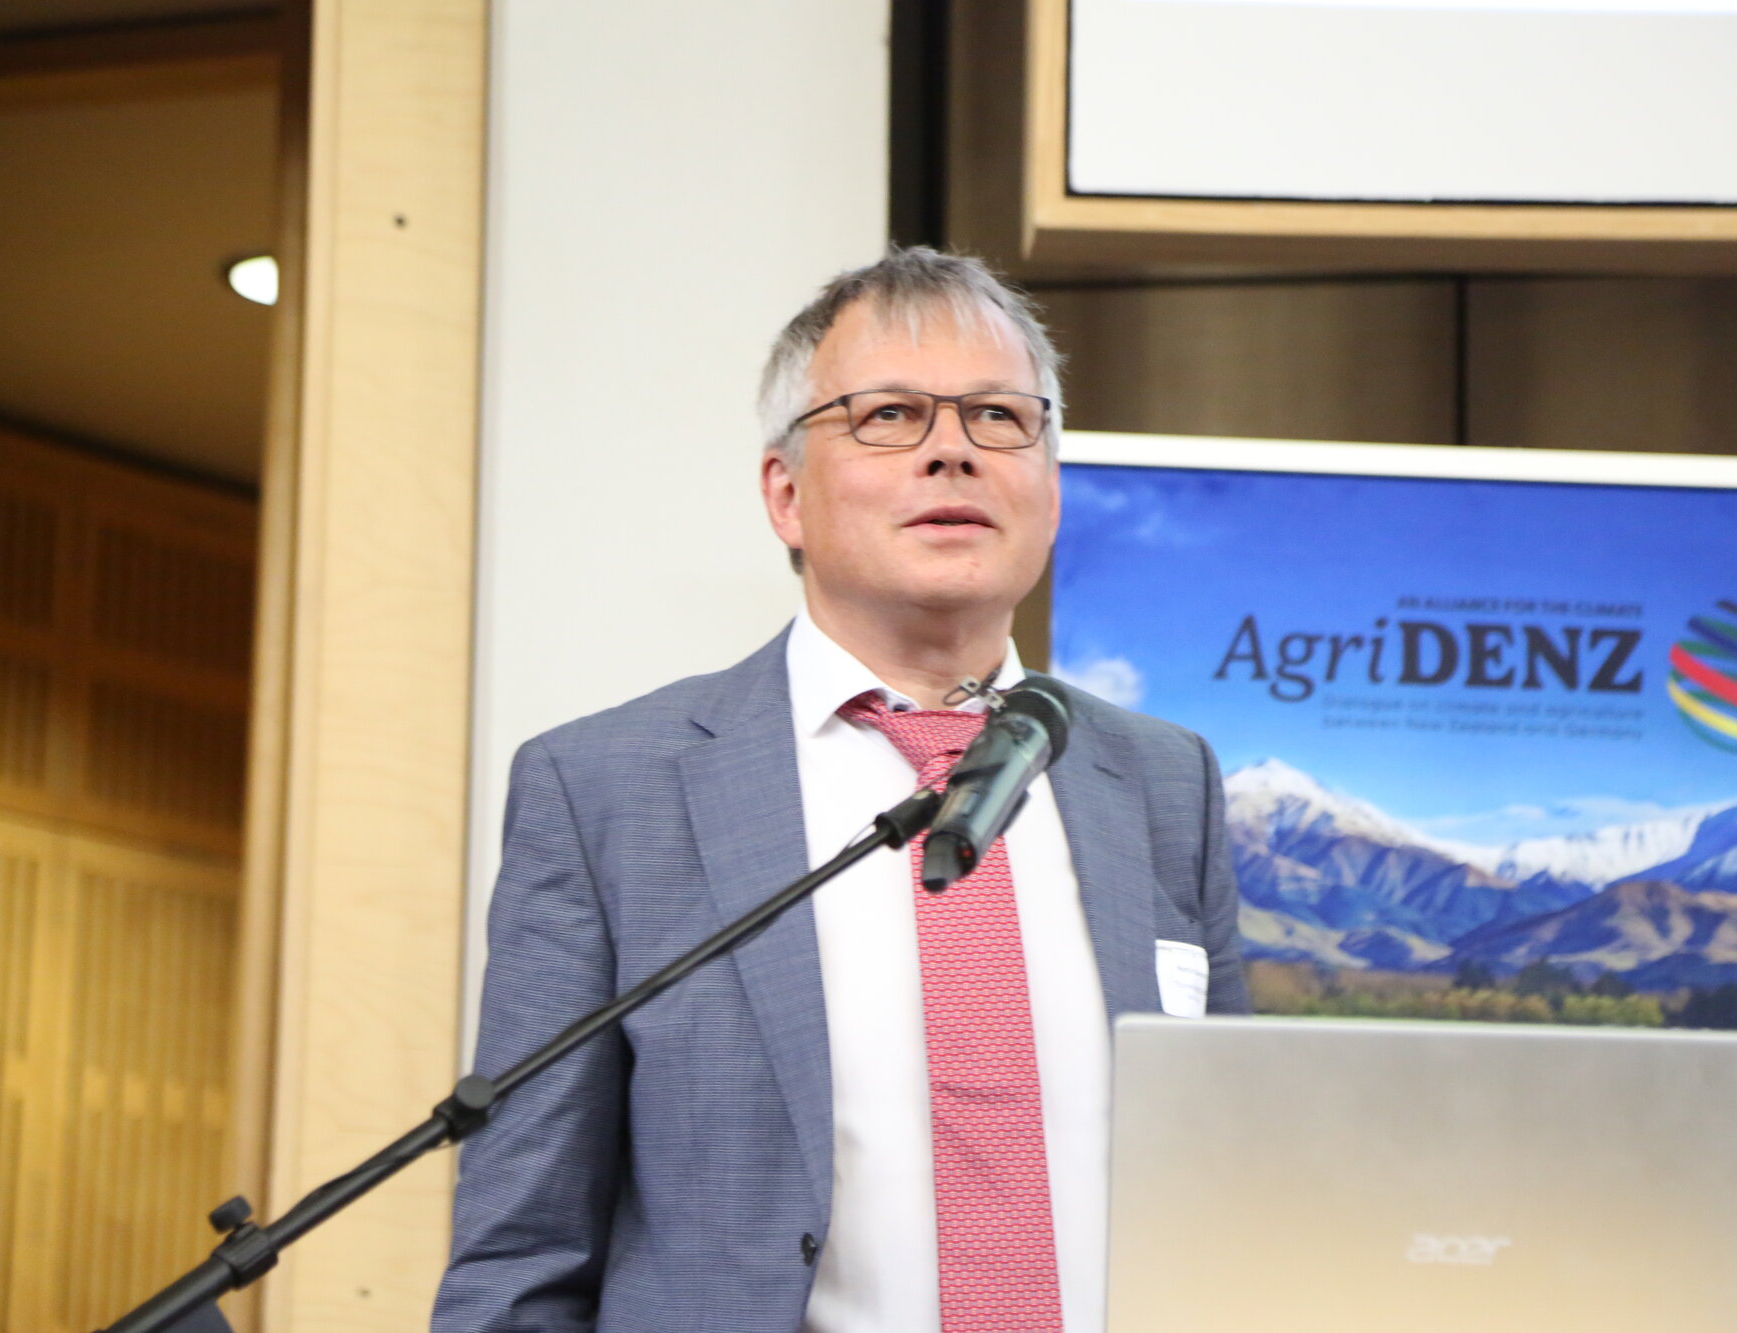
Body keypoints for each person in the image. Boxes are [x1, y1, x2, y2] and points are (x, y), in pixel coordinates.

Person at [434, 247, 1247, 1333]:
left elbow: (1231, 1193)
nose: (951, 451)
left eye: (998, 419)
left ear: (1048, 495)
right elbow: (522, 1255)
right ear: (785, 495)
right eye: (888, 416)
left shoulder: (1160, 782)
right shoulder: (608, 792)